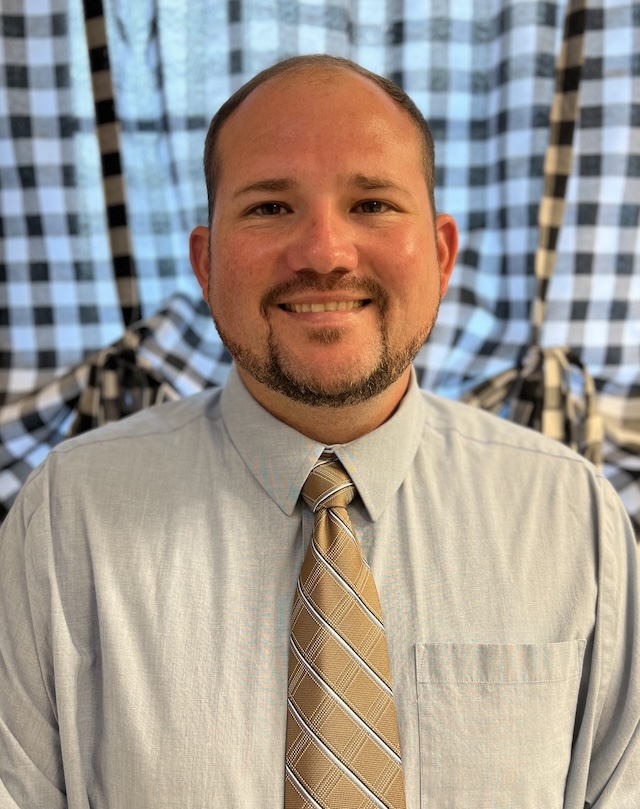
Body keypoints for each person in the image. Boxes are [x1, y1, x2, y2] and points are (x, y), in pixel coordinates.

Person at [0, 54, 638, 809]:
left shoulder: (572, 519)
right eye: (270, 207)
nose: (325, 254)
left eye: (371, 204)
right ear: (205, 264)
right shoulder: (66, 519)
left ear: (440, 255)